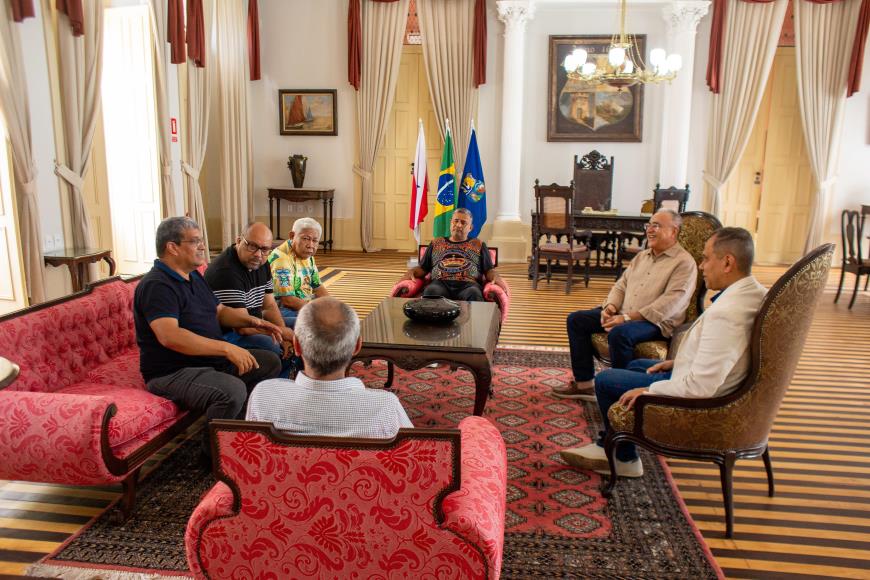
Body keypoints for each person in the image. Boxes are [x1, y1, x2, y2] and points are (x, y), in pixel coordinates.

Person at [560, 227, 767, 477]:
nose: (701, 266)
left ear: (727, 263)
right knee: (635, 366)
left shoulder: (727, 313)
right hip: (700, 376)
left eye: (706, 258)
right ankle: (619, 435)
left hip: (704, 397)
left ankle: (622, 457)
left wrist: (650, 391)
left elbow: (701, 387)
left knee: (605, 380)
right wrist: (677, 362)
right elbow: (724, 354)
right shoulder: (753, 293)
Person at [134, 217, 282, 456]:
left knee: (268, 362)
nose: (203, 246)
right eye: (195, 241)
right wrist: (226, 348)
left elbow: (220, 311)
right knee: (232, 391)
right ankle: (213, 455)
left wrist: (254, 321)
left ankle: (236, 432)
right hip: (172, 371)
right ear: (172, 247)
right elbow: (170, 336)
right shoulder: (157, 285)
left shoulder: (193, 276)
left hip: (205, 362)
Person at [555, 209, 697, 400]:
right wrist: (610, 308)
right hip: (623, 313)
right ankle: (585, 384)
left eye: (656, 226)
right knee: (576, 320)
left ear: (674, 231)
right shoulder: (642, 256)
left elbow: (671, 303)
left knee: (620, 334)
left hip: (655, 322)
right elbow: (621, 285)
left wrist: (627, 318)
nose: (650, 230)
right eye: (649, 225)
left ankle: (621, 393)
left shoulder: (684, 263)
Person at [247, 297, 413, 438]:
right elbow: (412, 453)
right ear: (357, 346)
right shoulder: (385, 407)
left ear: (296, 345)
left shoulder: (263, 396)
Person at [204, 222, 296, 378]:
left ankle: (288, 379)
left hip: (256, 322)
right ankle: (271, 385)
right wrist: (281, 334)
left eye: (265, 249)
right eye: (252, 246)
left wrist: (283, 334)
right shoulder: (225, 272)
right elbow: (243, 327)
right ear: (239, 241)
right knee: (274, 345)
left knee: (302, 325)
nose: (258, 254)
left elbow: (268, 306)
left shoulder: (262, 262)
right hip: (228, 335)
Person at [403, 207, 508, 301]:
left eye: (463, 222)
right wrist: (412, 272)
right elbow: (423, 268)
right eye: (456, 221)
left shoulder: (479, 244)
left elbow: (489, 270)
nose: (458, 225)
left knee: (474, 293)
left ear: (470, 228)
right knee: (431, 291)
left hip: (469, 285)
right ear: (451, 222)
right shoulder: (436, 243)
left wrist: (496, 277)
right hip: (440, 283)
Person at [269, 217, 329, 328]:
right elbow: (287, 300)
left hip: (304, 303)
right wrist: (316, 311)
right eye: (306, 239)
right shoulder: (281, 258)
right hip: (283, 309)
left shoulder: (307, 254)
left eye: (315, 241)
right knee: (321, 324)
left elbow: (317, 286)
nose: (310, 245)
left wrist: (333, 306)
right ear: (292, 236)